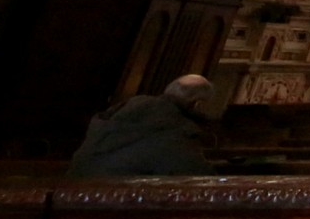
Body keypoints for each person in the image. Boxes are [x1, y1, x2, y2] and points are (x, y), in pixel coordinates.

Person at [69, 75, 215, 177]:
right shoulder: (177, 129)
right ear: (197, 104)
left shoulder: (116, 115)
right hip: (123, 211)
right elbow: (196, 177)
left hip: (73, 200)